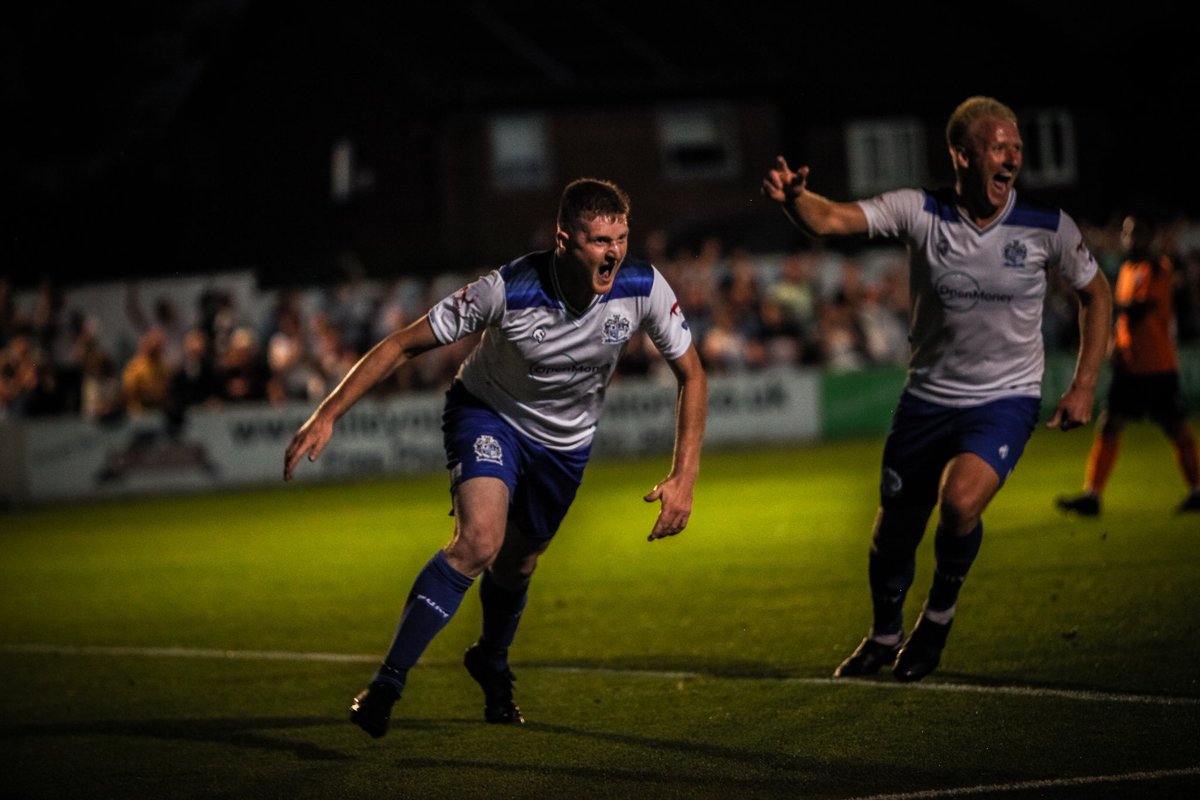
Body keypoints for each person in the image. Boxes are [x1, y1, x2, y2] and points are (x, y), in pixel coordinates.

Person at [284, 178, 707, 736]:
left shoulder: (642, 285)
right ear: (564, 240)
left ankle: (491, 660)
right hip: (488, 413)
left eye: (621, 238)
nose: (614, 252)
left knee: (519, 563)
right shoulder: (505, 289)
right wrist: (328, 413)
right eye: (600, 240)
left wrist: (685, 476)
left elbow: (692, 374)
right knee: (479, 541)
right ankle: (388, 683)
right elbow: (402, 344)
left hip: (566, 444)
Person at [762, 96, 1112, 683]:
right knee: (893, 530)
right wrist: (798, 200)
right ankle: (883, 635)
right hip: (927, 398)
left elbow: (1097, 294)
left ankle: (937, 621)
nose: (1012, 158)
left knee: (959, 502)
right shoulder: (919, 210)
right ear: (962, 154)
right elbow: (832, 219)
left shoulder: (1049, 227)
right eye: (998, 147)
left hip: (1006, 398)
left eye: (1017, 149)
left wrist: (1083, 384)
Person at [1057, 213, 1200, 515]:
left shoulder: (1159, 270)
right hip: (1131, 367)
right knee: (1109, 425)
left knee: (1176, 428)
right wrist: (1114, 345)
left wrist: (1101, 300)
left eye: (1135, 233)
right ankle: (1092, 496)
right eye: (1126, 233)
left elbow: (1141, 309)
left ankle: (1197, 489)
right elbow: (1126, 318)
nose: (1129, 239)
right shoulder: (1126, 270)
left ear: (1148, 237)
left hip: (1158, 366)